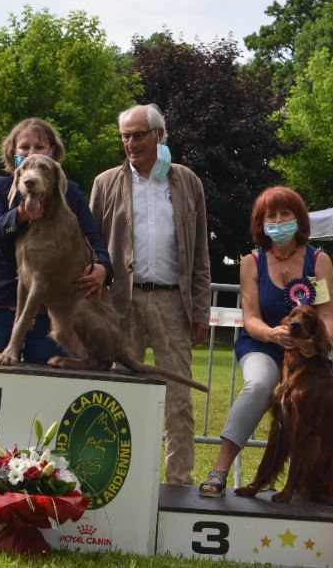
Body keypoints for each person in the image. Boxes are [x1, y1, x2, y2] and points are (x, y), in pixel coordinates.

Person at [90, 103, 211, 487]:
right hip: (118, 304)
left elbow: (200, 255)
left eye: (138, 135)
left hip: (172, 303)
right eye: (125, 135)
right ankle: (120, 482)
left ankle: (179, 483)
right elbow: (90, 246)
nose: (130, 143)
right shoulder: (105, 182)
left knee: (178, 399)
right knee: (120, 394)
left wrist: (201, 311)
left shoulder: (187, 181)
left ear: (160, 135)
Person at [199, 185, 333, 497]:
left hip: (309, 353)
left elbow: (327, 316)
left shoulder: (318, 261)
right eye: (270, 215)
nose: (278, 220)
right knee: (260, 385)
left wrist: (313, 344)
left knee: (314, 406)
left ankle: (316, 482)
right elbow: (251, 318)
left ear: (299, 219)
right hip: (261, 344)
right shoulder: (251, 261)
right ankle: (219, 471)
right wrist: (273, 334)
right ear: (260, 223)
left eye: (285, 214)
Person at [0, 118, 112, 364]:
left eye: (39, 147)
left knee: (42, 382)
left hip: (49, 313)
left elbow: (93, 237)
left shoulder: (68, 193)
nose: (31, 152)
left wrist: (103, 267)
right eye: (24, 147)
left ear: (53, 152)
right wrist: (21, 214)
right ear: (13, 152)